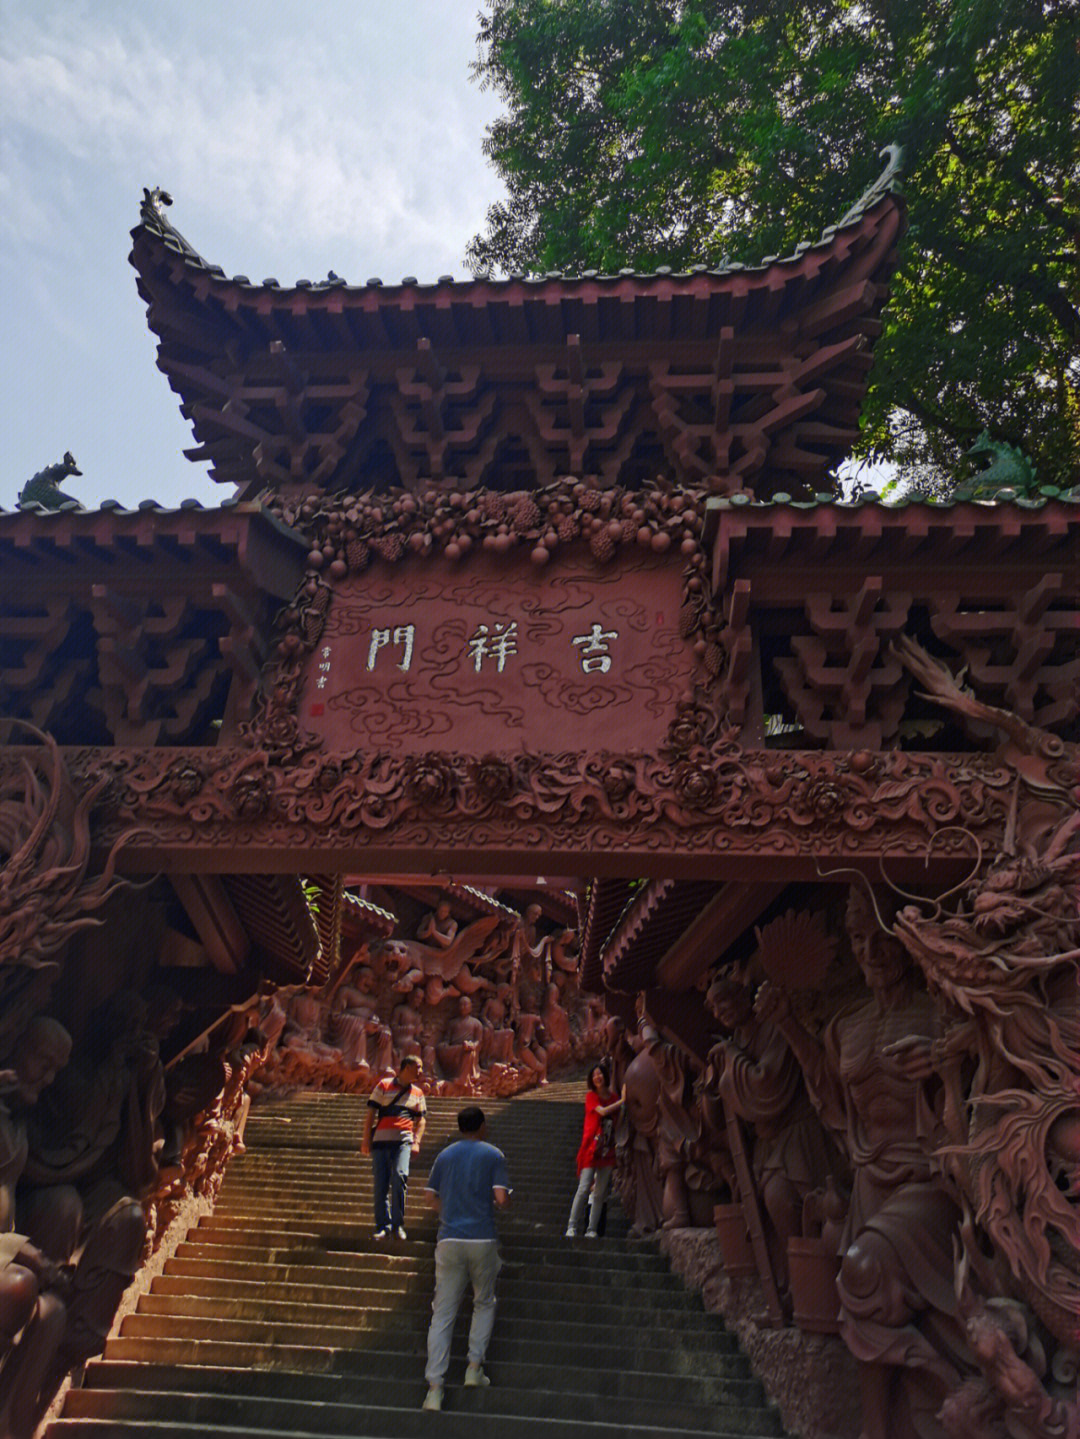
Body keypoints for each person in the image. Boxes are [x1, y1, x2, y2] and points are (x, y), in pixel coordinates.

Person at [422, 1106, 511, 1412]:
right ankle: (474, 1368)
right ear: (483, 1125)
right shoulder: (494, 1155)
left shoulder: (444, 1156)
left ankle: (434, 1388)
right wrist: (504, 1201)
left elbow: (429, 1196)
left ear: (460, 1127)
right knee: (483, 1301)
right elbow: (501, 1199)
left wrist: (447, 1214)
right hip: (482, 1237)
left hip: (449, 1239)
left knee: (442, 1313)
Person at [361, 1055, 427, 1240]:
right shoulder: (383, 1085)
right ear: (407, 1067)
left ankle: (398, 1225)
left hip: (403, 1142)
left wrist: (417, 1142)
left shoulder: (418, 1093)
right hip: (381, 1142)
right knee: (380, 1184)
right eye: (418, 1067)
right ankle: (383, 1226)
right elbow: (371, 1114)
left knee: (399, 1177)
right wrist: (366, 1140)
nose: (421, 1071)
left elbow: (421, 1120)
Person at [565, 1062, 622, 1238]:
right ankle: (572, 1226)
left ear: (605, 1076)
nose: (597, 1077)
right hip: (591, 1148)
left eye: (600, 1074)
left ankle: (592, 1229)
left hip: (607, 1149)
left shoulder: (613, 1097)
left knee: (600, 1193)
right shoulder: (592, 1096)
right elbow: (602, 1112)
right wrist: (623, 1100)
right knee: (584, 1188)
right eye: (594, 1075)